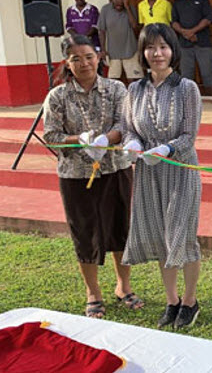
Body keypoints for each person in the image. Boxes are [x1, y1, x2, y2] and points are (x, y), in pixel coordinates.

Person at [42, 34, 142, 319]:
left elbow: (126, 123)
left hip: (115, 169)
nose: (84, 63)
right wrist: (79, 139)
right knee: (84, 232)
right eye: (76, 59)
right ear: (67, 63)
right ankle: (93, 293)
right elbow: (51, 135)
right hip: (76, 176)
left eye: (89, 56)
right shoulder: (58, 96)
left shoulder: (116, 89)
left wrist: (105, 140)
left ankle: (124, 286)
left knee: (121, 228)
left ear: (98, 57)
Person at [121, 23, 203, 330]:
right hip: (147, 174)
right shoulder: (134, 90)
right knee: (159, 237)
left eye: (163, 47)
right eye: (150, 47)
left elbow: (189, 135)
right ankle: (171, 300)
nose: (157, 53)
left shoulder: (187, 89)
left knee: (182, 235)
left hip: (180, 171)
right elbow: (130, 127)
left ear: (173, 50)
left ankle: (191, 301)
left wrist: (166, 149)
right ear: (143, 52)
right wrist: (132, 144)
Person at [172, 0, 212, 103]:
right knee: (186, 72)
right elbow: (174, 22)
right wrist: (184, 32)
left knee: (208, 68)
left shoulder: (202, 0)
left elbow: (208, 19)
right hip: (184, 43)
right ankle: (188, 98)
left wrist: (193, 31)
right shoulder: (177, 3)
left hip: (202, 41)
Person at [98, 0, 143, 82]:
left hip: (130, 49)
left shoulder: (130, 8)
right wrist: (103, 49)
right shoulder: (105, 10)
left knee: (134, 80)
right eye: (117, 5)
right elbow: (101, 30)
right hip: (112, 52)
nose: (119, 7)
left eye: (121, 5)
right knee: (113, 81)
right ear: (112, 2)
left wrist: (127, 7)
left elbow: (134, 26)